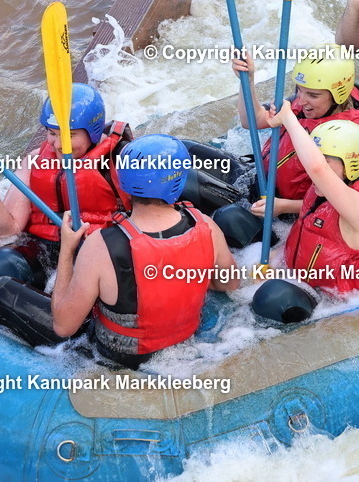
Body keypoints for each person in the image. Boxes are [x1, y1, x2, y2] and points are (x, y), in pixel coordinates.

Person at [51, 134, 237, 368]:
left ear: (124, 182)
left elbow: (63, 326)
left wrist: (66, 251)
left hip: (119, 360)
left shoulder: (99, 245)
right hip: (184, 347)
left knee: (4, 289)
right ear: (179, 181)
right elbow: (229, 284)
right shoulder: (206, 226)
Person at [0, 83, 132, 303]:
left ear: (93, 133)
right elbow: (5, 231)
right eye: (51, 132)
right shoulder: (36, 160)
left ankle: (78, 325)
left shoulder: (121, 161)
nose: (56, 144)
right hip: (45, 251)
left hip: (96, 252)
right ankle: (54, 328)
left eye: (68, 135)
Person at [250, 115, 359, 323]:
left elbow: (318, 170)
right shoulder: (336, 182)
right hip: (296, 277)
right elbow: (316, 221)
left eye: (324, 160)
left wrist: (288, 118)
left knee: (272, 296)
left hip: (331, 305)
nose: (312, 167)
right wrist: (276, 256)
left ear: (350, 163)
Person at [231, 45, 359, 217]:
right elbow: (251, 122)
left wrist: (284, 207)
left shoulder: (350, 135)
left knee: (228, 217)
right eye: (299, 89)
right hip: (260, 179)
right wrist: (247, 81)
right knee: (191, 152)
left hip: (290, 211)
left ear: (339, 94)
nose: (301, 100)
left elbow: (345, 200)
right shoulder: (307, 98)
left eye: (313, 95)